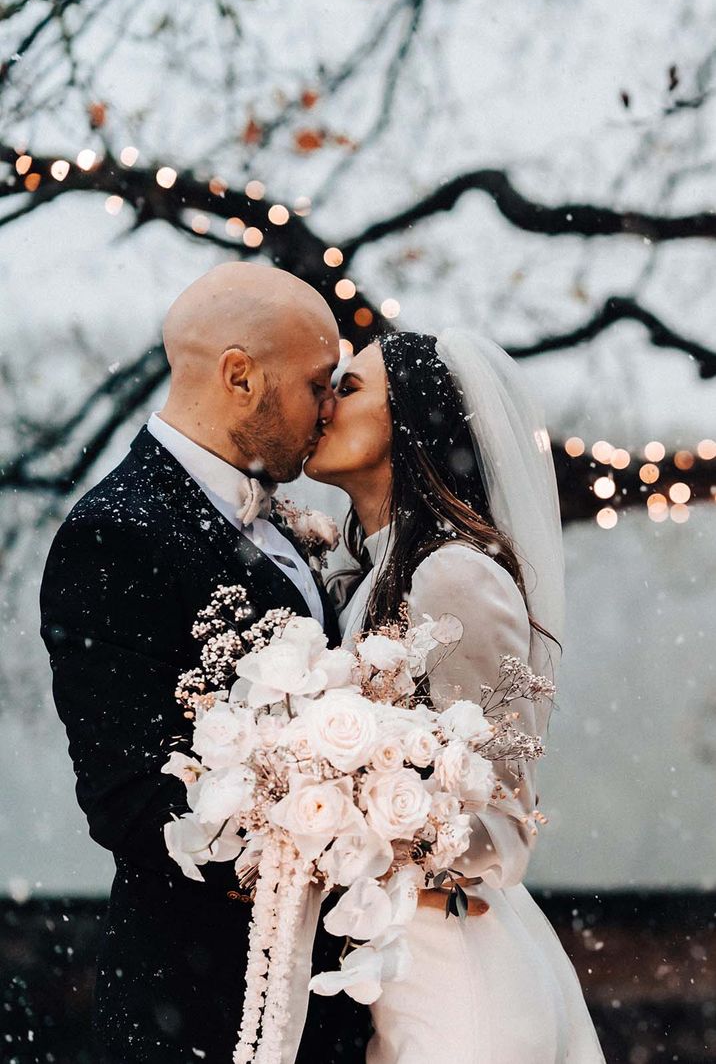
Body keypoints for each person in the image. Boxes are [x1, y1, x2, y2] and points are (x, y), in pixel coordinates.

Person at [39, 262, 373, 1063]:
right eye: (317, 383)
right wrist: (318, 828)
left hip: (311, 998)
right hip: (196, 1004)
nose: (329, 409)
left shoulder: (287, 516)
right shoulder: (114, 532)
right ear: (239, 375)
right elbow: (129, 802)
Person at [304, 329, 606, 1063]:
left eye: (350, 389)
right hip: (387, 953)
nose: (324, 405)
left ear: (411, 424)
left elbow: (504, 822)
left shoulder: (452, 576)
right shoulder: (358, 576)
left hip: (452, 968)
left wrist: (348, 821)